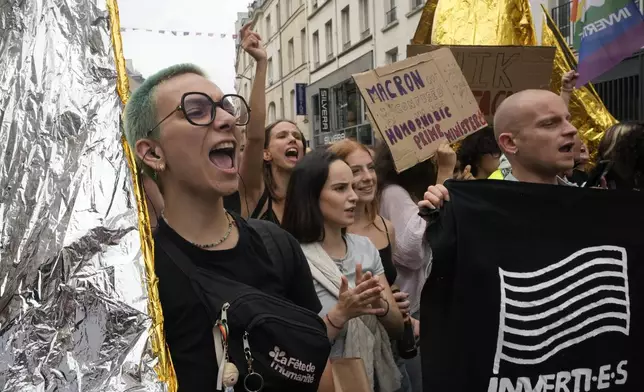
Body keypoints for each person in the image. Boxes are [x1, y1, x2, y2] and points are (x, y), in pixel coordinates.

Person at [123, 63, 334, 391]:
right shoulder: (140, 280)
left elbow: (317, 369)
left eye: (226, 106)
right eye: (196, 110)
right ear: (152, 153)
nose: (226, 119)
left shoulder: (277, 245)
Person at [282, 149, 404, 392]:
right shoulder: (291, 257)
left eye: (352, 187)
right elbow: (292, 349)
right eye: (340, 189)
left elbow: (398, 328)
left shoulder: (365, 248)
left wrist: (381, 305)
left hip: (381, 379)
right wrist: (340, 314)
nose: (354, 197)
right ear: (310, 195)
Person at [329, 139, 416, 392]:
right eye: (356, 171)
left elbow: (389, 284)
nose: (368, 177)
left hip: (389, 350)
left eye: (370, 167)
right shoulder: (331, 233)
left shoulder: (385, 226)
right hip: (349, 356)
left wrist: (397, 305)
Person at [248, 119, 307, 223]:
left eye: (297, 137)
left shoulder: (314, 197)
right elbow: (254, 138)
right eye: (282, 136)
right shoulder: (256, 195)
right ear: (266, 154)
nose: (292, 139)